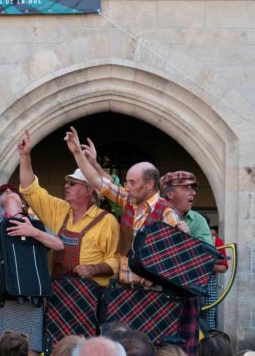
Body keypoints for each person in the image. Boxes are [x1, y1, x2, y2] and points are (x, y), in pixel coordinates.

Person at [63, 128, 198, 355]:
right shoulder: (128, 200)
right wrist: (77, 153)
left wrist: (181, 236)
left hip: (153, 296)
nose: (128, 186)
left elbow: (177, 262)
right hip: (123, 292)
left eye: (132, 182)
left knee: (148, 351)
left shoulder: (166, 212)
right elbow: (97, 182)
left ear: (149, 184)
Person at [0, 121, 64, 355]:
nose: (7, 192)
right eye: (3, 193)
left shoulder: (36, 224)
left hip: (29, 304)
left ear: (23, 202)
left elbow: (59, 244)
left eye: (12, 190)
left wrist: (33, 232)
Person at [18, 129, 120, 287]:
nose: (66, 186)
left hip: (91, 295)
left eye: (72, 183)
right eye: (67, 182)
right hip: (57, 291)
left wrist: (94, 269)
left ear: (89, 190)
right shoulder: (59, 209)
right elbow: (30, 189)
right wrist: (25, 156)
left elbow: (114, 260)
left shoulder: (107, 221)